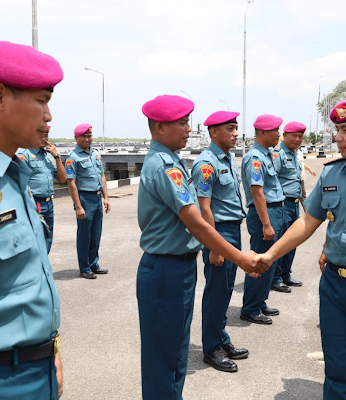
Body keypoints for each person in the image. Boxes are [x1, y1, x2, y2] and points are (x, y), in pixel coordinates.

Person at [137, 95, 268, 399]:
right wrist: (241, 258)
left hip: (178, 265)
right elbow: (196, 221)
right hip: (165, 269)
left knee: (176, 354)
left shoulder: (172, 161)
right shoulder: (164, 167)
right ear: (159, 127)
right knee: (163, 359)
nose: (187, 128)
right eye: (182, 123)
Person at [256, 95, 346, 399]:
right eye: (336, 130)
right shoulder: (332, 172)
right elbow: (308, 221)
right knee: (340, 373)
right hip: (336, 288)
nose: (337, 138)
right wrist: (269, 255)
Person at [0, 40, 63, 399]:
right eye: (42, 101)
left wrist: (52, 350)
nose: (48, 116)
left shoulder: (13, 175)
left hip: (35, 365)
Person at [192, 111, 248, 373]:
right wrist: (214, 247)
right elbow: (204, 209)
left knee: (225, 288)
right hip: (219, 232)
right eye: (231, 128)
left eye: (236, 128)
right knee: (216, 290)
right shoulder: (206, 163)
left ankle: (221, 338)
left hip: (232, 230)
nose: (236, 133)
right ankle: (211, 348)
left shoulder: (227, 158)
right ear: (214, 132)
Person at [240, 114, 285, 325]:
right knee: (259, 262)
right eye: (275, 130)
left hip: (275, 210)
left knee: (270, 261)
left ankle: (260, 301)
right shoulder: (255, 158)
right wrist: (266, 223)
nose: (279, 134)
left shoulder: (266, 155)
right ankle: (250, 308)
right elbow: (257, 191)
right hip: (264, 214)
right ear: (262, 133)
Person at [65, 124, 111, 279]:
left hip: (97, 198)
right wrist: (78, 206)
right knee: (85, 235)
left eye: (89, 136)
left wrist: (106, 197)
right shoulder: (73, 157)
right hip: (84, 198)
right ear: (76, 138)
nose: (86, 139)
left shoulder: (96, 154)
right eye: (83, 136)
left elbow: (102, 176)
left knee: (96, 234)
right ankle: (84, 267)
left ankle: (93, 263)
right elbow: (71, 183)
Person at [17, 125, 67, 253]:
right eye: (40, 134)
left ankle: (43, 270)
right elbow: (17, 183)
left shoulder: (49, 156)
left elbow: (62, 179)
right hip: (33, 203)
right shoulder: (24, 155)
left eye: (46, 134)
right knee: (34, 239)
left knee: (48, 238)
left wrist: (57, 157)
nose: (44, 138)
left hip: (49, 203)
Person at [271, 121, 305, 290]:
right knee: (282, 241)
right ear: (284, 136)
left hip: (294, 204)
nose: (298, 139)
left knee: (292, 241)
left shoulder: (294, 153)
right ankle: (275, 278)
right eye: (294, 136)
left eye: (300, 136)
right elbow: (272, 179)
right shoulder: (279, 154)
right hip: (283, 204)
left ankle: (286, 274)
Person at [297, 147, 316, 213]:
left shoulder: (299, 152)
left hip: (301, 178)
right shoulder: (290, 152)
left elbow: (302, 163)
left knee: (303, 196)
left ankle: (307, 213)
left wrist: (309, 169)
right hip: (294, 179)